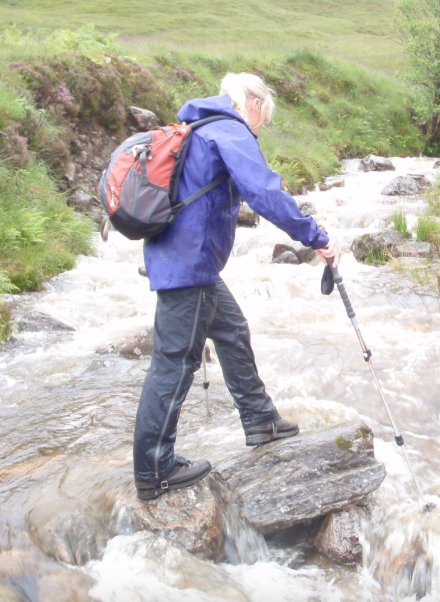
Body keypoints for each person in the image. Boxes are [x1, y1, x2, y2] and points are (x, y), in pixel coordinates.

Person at [133, 72, 340, 501]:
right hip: (188, 264)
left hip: (187, 261)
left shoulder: (200, 126)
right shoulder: (228, 129)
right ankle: (154, 469)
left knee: (231, 329)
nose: (261, 125)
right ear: (253, 102)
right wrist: (315, 236)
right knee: (174, 363)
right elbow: (264, 192)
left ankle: (260, 420)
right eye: (265, 114)